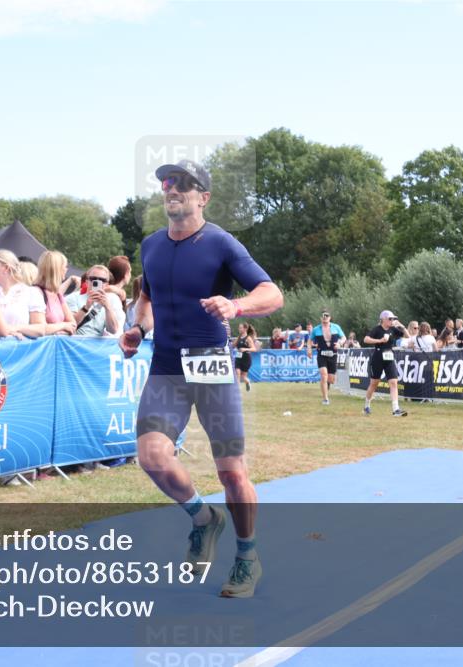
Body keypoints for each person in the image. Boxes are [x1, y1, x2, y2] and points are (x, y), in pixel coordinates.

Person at [119, 159, 283, 598]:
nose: (172, 190)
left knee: (231, 472)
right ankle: (202, 518)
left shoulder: (222, 244)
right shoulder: (151, 245)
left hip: (211, 368)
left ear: (203, 197)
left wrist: (237, 307)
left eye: (184, 185)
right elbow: (147, 296)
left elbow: (272, 293)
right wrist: (139, 328)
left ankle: (247, 557)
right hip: (167, 368)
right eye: (168, 184)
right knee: (152, 456)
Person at [0, 249, 47, 338]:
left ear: (6, 268)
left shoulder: (31, 293)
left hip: (18, 348)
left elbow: (40, 329)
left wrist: (13, 328)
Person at [363, 310, 408, 417]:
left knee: (393, 382)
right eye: (390, 319)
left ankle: (396, 409)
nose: (392, 321)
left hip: (389, 357)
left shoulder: (393, 329)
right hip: (378, 357)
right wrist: (380, 340)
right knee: (374, 384)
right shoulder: (377, 329)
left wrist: (402, 326)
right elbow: (366, 339)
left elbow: (408, 337)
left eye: (393, 319)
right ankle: (367, 405)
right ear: (383, 319)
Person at [66, 265, 124, 337]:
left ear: (107, 284)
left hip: (96, 346)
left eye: (102, 280)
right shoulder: (73, 298)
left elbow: (113, 330)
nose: (97, 282)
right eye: (93, 279)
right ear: (87, 282)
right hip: (76, 342)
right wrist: (86, 307)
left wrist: (108, 307)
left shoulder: (111, 299)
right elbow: (70, 324)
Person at [34, 251, 77, 336]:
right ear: (56, 269)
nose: (66, 269)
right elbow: (40, 329)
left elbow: (73, 325)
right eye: (65, 267)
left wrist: (57, 330)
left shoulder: (57, 295)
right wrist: (64, 326)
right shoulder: (36, 293)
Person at [307, 312, 343, 405]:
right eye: (323, 316)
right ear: (320, 318)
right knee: (323, 375)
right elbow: (309, 341)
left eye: (327, 316)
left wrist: (340, 343)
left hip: (333, 354)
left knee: (331, 380)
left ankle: (326, 386)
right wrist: (309, 350)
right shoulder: (316, 329)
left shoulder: (336, 327)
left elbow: (344, 337)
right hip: (321, 355)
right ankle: (325, 399)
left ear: (330, 317)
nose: (325, 317)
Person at [233, 323, 258, 392]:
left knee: (243, 377)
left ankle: (247, 382)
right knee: (237, 373)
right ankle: (237, 390)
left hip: (246, 359)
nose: (239, 329)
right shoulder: (238, 337)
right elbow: (233, 345)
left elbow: (254, 349)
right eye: (239, 328)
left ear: (245, 329)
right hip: (238, 358)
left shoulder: (248, 338)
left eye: (240, 328)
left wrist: (245, 349)